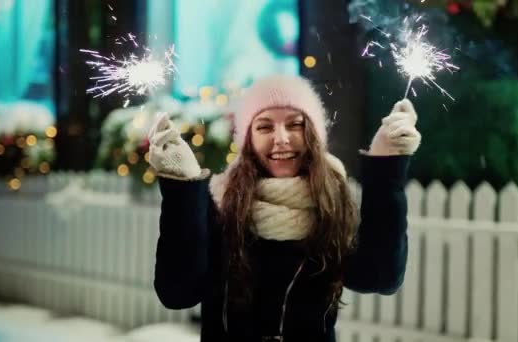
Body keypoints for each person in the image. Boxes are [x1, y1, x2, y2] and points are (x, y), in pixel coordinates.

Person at [147, 74, 421, 341]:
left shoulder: (332, 203)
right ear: (248, 141)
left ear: (313, 134)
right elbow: (178, 292)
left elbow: (380, 277)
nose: (281, 138)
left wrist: (388, 165)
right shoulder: (220, 202)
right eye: (265, 127)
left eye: (295, 125)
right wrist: (181, 187)